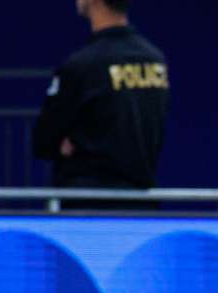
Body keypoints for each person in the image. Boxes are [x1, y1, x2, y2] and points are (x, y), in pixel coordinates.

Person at [33, 0, 168, 192]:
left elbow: (43, 142)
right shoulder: (155, 60)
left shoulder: (82, 65)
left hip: (88, 206)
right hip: (142, 203)